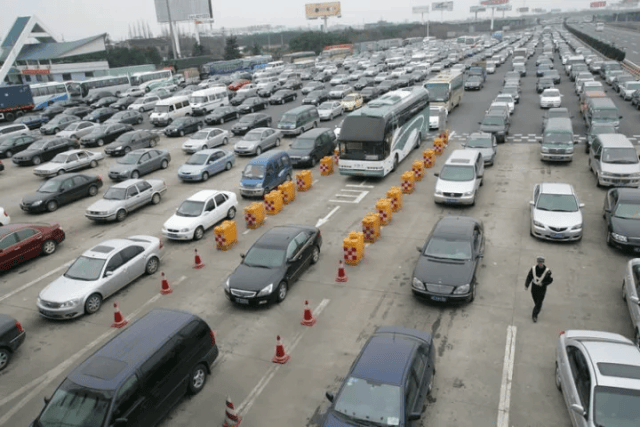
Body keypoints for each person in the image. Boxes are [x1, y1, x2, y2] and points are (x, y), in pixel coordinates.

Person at [525, 256, 553, 323]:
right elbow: (529, 277)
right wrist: (526, 285)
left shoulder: (547, 271)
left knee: (539, 301)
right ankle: (538, 307)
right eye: (539, 262)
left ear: (543, 263)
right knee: (535, 300)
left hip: (542, 289)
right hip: (534, 288)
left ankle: (534, 315)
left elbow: (550, 280)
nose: (540, 264)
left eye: (541, 262)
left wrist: (543, 283)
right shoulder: (533, 269)